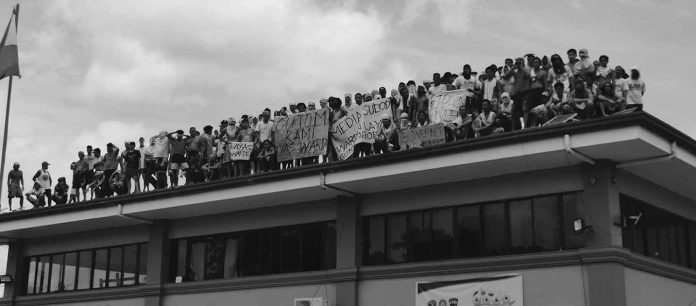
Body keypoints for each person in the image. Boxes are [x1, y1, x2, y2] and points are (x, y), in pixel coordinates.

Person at [504, 57, 531, 129]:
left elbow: (528, 75)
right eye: (517, 61)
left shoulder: (526, 69)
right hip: (517, 93)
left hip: (525, 92)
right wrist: (513, 67)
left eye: (520, 61)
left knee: (525, 109)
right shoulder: (515, 70)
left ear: (523, 62)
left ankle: (525, 127)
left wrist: (520, 67)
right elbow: (506, 76)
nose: (518, 62)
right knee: (514, 111)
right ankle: (513, 129)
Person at [527, 57, 548, 127]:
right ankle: (533, 125)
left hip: (540, 91)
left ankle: (543, 124)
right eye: (534, 62)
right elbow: (529, 83)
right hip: (532, 92)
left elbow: (545, 83)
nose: (535, 64)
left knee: (541, 110)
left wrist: (545, 92)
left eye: (537, 62)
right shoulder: (530, 72)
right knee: (532, 111)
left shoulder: (543, 72)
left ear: (540, 63)